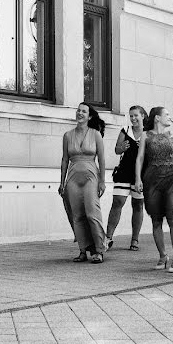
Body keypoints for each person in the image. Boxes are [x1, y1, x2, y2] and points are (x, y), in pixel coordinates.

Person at [134, 107, 173, 273]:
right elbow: (140, 158)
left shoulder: (172, 135)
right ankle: (162, 255)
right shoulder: (146, 135)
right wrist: (137, 178)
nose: (169, 117)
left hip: (171, 178)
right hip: (151, 179)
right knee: (156, 219)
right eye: (166, 114)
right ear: (157, 118)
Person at [60, 103, 108, 263]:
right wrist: (62, 182)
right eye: (78, 110)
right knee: (77, 215)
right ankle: (83, 250)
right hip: (72, 177)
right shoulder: (67, 135)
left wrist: (102, 181)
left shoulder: (95, 134)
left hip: (91, 177)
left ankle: (99, 249)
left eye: (84, 111)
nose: (80, 113)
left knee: (92, 213)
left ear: (89, 116)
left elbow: (101, 159)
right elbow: (65, 159)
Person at [105, 105, 147, 251]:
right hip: (123, 172)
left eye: (136, 115)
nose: (133, 118)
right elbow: (117, 150)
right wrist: (121, 147)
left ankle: (135, 239)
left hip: (140, 175)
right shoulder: (125, 130)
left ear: (142, 116)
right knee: (117, 202)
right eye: (131, 116)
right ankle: (108, 238)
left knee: (138, 204)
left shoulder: (148, 133)